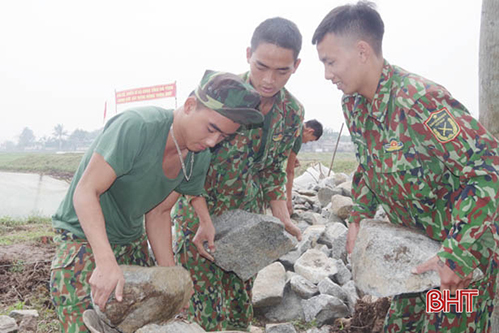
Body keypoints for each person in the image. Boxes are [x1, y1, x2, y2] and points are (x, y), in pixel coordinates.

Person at [313, 2, 499, 332]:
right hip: (411, 257)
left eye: (330, 62)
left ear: (361, 51)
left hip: (457, 269)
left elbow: (487, 169)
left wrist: (456, 255)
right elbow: (369, 165)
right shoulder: (354, 105)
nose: (327, 74)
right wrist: (359, 214)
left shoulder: (419, 101)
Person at [49, 70, 263, 333]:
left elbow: (160, 213)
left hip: (131, 242)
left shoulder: (198, 156)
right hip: (84, 240)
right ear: (190, 105)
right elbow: (85, 192)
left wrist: (171, 278)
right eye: (211, 128)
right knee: (84, 325)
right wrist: (105, 262)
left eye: (223, 137)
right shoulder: (137, 126)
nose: (212, 141)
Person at [173, 17, 304, 331]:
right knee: (201, 305)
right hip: (200, 217)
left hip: (247, 223)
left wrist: (281, 215)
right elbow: (186, 159)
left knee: (239, 303)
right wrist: (203, 219)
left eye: (281, 70)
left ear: (296, 65)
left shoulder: (292, 113)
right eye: (261, 66)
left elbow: (273, 170)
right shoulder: (221, 97)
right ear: (248, 54)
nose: (269, 79)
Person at [285, 119, 323, 214]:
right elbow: (289, 171)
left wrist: (292, 156)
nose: (306, 143)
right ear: (310, 131)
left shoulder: (292, 123)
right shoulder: (298, 136)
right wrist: (289, 200)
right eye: (310, 140)